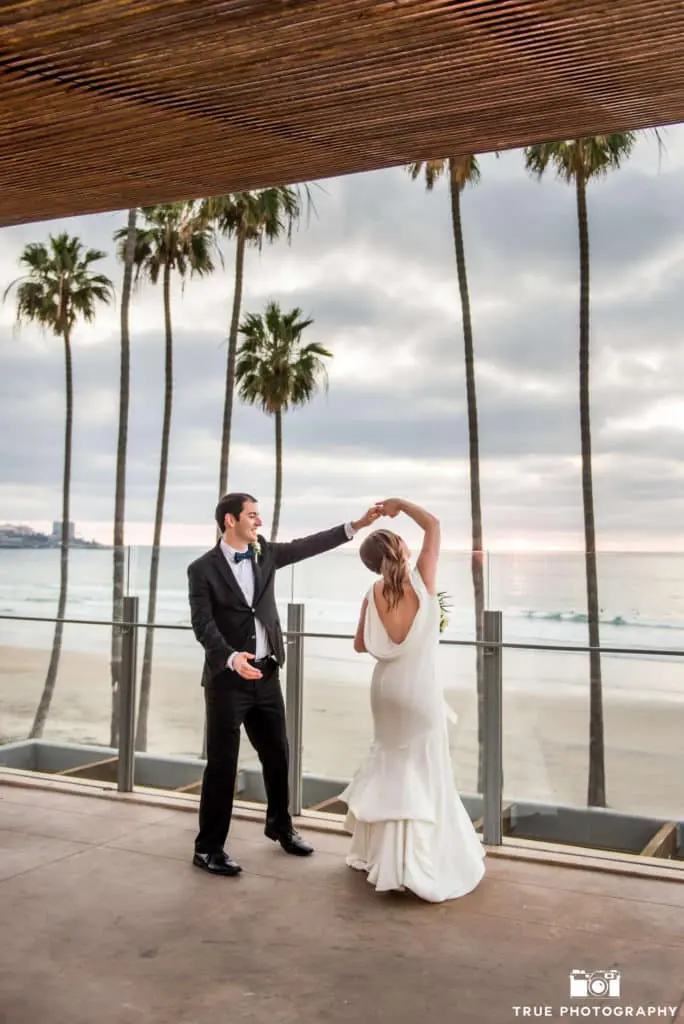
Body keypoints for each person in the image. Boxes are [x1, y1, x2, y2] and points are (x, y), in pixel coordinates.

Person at [187, 491, 381, 876]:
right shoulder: (201, 569)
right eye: (253, 515)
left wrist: (355, 526)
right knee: (222, 765)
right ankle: (208, 849)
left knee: (278, 754)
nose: (259, 521)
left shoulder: (266, 553)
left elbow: (307, 546)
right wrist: (231, 657)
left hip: (267, 673)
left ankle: (280, 825)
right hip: (227, 679)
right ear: (230, 520)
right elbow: (203, 625)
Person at [339, 497, 486, 902]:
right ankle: (412, 862)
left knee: (390, 764)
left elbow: (358, 645)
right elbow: (434, 525)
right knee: (424, 768)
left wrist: (390, 643)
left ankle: (381, 857)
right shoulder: (421, 580)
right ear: (401, 549)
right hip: (418, 690)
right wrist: (399, 504)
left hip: (385, 690)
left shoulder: (373, 592)